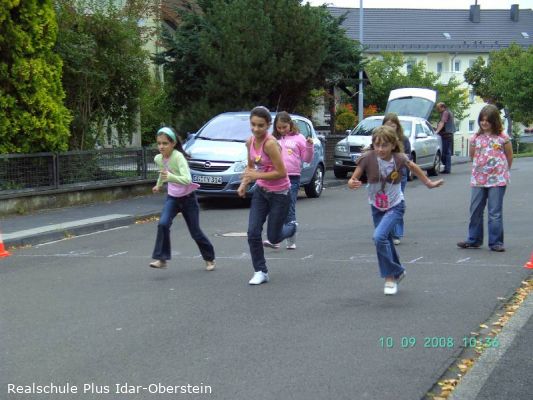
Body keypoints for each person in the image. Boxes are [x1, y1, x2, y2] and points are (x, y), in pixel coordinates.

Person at [348, 125, 443, 295]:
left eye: (384, 145)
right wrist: (352, 182)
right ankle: (398, 271)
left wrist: (429, 183)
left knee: (379, 237)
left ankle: (390, 277)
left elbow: (414, 167)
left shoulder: (399, 158)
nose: (380, 149)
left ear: (393, 145)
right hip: (377, 206)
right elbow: (355, 176)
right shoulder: (368, 158)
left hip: (395, 205)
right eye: (377, 145)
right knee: (385, 240)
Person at [237, 106, 297, 285]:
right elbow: (250, 168)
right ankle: (261, 271)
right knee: (253, 232)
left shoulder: (270, 144)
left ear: (269, 125)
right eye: (253, 124)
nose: (256, 129)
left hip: (280, 194)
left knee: (274, 237)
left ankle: (292, 227)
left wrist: (256, 176)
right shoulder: (250, 142)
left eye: (261, 125)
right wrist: (243, 184)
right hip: (261, 192)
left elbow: (281, 172)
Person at [150, 127, 216, 270]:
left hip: (188, 199)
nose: (161, 147)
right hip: (172, 198)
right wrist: (158, 185)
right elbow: (163, 172)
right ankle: (162, 259)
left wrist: (170, 177)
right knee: (163, 224)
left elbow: (187, 179)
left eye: (165, 143)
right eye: (159, 143)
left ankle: (209, 258)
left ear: (173, 143)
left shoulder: (178, 157)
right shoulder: (158, 158)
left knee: (195, 232)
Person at [457, 104, 512, 252]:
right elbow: (472, 156)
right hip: (479, 179)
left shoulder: (503, 138)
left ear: (494, 121)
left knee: (494, 212)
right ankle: (474, 239)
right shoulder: (475, 138)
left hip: (498, 179)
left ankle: (496, 242)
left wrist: (504, 171)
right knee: (475, 210)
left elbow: (509, 156)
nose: (484, 123)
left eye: (488, 120)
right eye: (482, 120)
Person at [263, 111, 313, 250]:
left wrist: (309, 146)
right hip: (275, 177)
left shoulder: (299, 138)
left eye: (284, 127)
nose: (282, 130)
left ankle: (291, 240)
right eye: (279, 127)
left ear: (290, 124)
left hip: (292, 177)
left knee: (289, 207)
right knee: (275, 209)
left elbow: (307, 159)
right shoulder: (273, 139)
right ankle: (275, 239)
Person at [382, 113, 411, 245]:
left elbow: (408, 158)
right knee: (384, 203)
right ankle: (386, 230)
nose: (390, 128)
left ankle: (396, 233)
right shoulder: (380, 139)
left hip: (399, 175)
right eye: (387, 125)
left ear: (397, 126)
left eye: (392, 126)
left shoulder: (403, 139)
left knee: (396, 202)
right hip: (383, 175)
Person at [435, 102, 456, 174]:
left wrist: (437, 131)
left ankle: (447, 168)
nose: (437, 110)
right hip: (448, 134)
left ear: (442, 107)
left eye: (438, 108)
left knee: (445, 152)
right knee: (447, 152)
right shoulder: (448, 112)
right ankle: (447, 168)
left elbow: (442, 122)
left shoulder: (445, 113)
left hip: (446, 135)